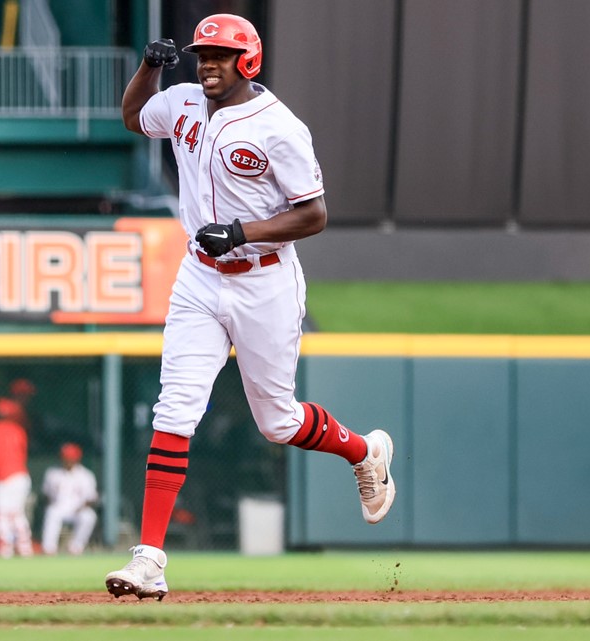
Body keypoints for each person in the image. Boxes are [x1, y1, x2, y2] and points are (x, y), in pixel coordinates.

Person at [105, 14, 396, 601]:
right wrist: (149, 67)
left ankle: (365, 452)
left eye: (219, 55)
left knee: (278, 421)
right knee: (175, 405)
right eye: (200, 54)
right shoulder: (183, 100)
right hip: (199, 277)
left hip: (265, 279)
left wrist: (241, 232)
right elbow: (135, 117)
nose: (206, 63)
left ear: (249, 61)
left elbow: (313, 214)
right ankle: (149, 559)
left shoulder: (280, 127)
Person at [0, 397, 33, 558]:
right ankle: (24, 547)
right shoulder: (19, 430)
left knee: (2, 514)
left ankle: (4, 548)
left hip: (5, 477)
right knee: (17, 514)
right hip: (21, 476)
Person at [40, 443, 98, 556]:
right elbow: (46, 494)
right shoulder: (53, 473)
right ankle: (49, 548)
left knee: (89, 516)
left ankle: (76, 547)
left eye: (71, 459)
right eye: (66, 458)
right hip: (59, 507)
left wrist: (81, 507)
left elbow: (91, 498)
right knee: (51, 512)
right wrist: (51, 503)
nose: (68, 461)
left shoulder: (86, 475)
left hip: (78, 509)